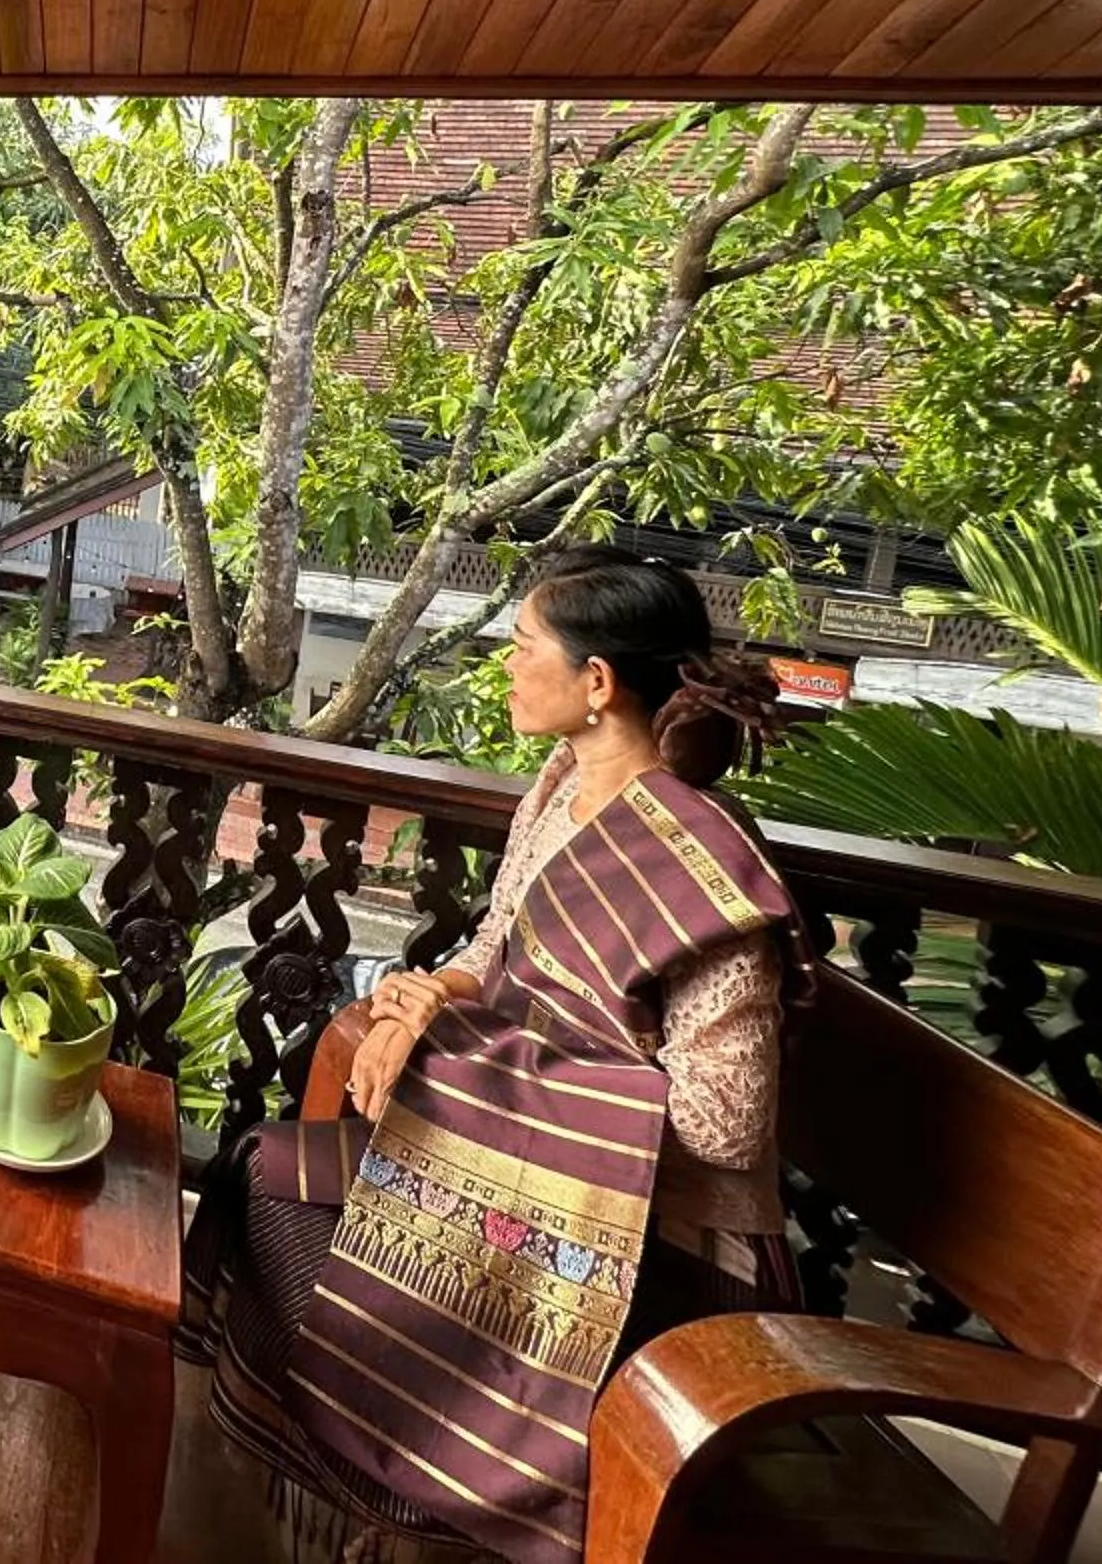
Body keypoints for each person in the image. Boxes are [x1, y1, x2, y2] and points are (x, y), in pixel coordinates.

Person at [202, 548, 803, 1564]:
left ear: (596, 681)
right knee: (266, 1171)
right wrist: (431, 997)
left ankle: (422, 1519)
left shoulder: (699, 870)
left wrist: (492, 1067)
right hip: (527, 1179)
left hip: (651, 1244)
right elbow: (498, 947)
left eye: (523, 647)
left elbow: (725, 1124)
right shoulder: (561, 787)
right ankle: (389, 1504)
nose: (507, 666)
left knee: (313, 1236)